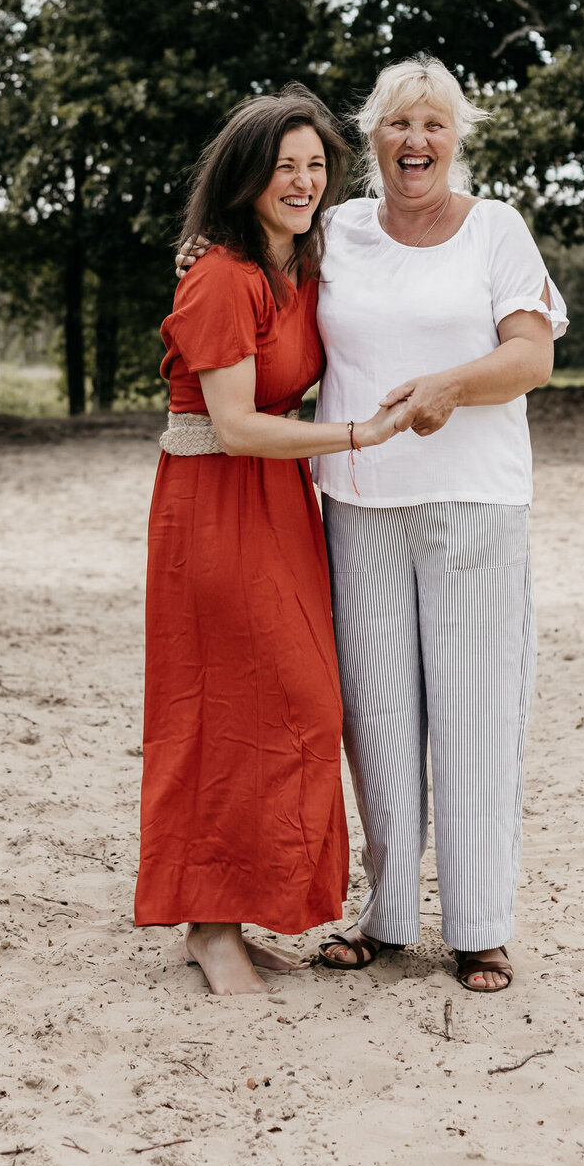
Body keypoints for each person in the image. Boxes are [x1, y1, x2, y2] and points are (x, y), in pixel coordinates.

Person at [180, 57, 568, 994]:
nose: (415, 142)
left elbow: (534, 356)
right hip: (355, 504)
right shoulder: (342, 230)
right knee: (379, 719)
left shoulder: (496, 231)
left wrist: (450, 387)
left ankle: (478, 926)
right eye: (398, 125)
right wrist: (197, 251)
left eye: (434, 124)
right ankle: (390, 916)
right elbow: (258, 262)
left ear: (457, 137)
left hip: (474, 500)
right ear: (376, 137)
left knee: (475, 712)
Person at [135, 88, 403, 997]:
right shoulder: (222, 276)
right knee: (228, 707)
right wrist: (363, 435)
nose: (302, 180)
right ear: (246, 175)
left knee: (292, 710)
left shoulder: (300, 266)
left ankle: (233, 912)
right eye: (284, 165)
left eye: (316, 165)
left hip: (280, 503)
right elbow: (240, 425)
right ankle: (208, 926)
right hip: (217, 501)